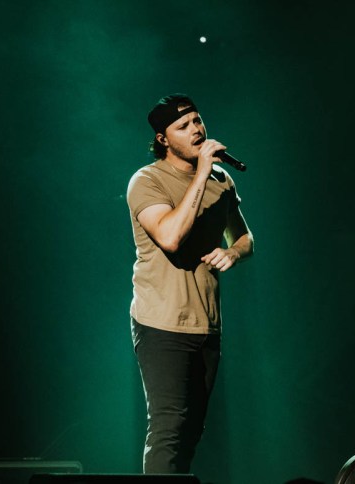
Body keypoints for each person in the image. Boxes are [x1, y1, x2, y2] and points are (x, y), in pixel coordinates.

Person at [126, 93, 254, 474]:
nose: (196, 129)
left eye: (197, 120)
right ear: (163, 139)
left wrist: (233, 253)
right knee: (169, 429)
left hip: (207, 324)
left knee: (192, 431)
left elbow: (245, 237)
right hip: (161, 323)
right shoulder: (147, 181)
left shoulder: (222, 180)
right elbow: (170, 237)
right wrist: (200, 174)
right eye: (183, 126)